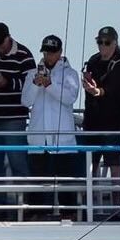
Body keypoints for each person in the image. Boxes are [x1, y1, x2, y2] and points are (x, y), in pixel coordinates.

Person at [0, 22, 36, 215]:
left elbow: (31, 85)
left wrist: (7, 83)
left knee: (18, 162)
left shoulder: (25, 55)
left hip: (14, 118)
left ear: (8, 38)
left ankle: (25, 207)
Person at [22, 35, 81, 221]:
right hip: (39, 139)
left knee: (66, 183)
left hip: (63, 141)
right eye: (46, 51)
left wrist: (49, 85)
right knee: (38, 183)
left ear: (60, 53)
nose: (48, 56)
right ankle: (36, 215)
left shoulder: (70, 74)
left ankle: (68, 216)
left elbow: (70, 98)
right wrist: (36, 84)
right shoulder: (32, 73)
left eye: (52, 52)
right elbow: (26, 101)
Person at [80, 26, 120, 214]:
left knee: (114, 164)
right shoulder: (93, 60)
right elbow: (91, 87)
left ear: (115, 43)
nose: (103, 46)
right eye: (100, 42)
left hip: (112, 122)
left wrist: (97, 91)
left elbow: (114, 90)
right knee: (91, 164)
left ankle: (115, 209)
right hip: (92, 120)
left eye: (106, 43)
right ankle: (90, 207)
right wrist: (89, 86)